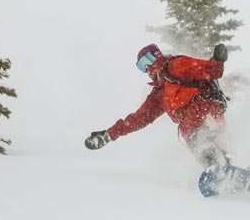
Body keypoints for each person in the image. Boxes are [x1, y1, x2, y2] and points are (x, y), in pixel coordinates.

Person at [84, 43, 231, 167]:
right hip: (205, 116)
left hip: (203, 108)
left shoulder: (173, 66)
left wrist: (217, 60)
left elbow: (206, 70)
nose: (146, 68)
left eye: (146, 60)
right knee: (209, 139)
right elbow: (138, 119)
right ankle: (228, 164)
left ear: (157, 56)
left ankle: (216, 163)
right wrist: (109, 134)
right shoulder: (159, 95)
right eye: (141, 66)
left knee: (194, 135)